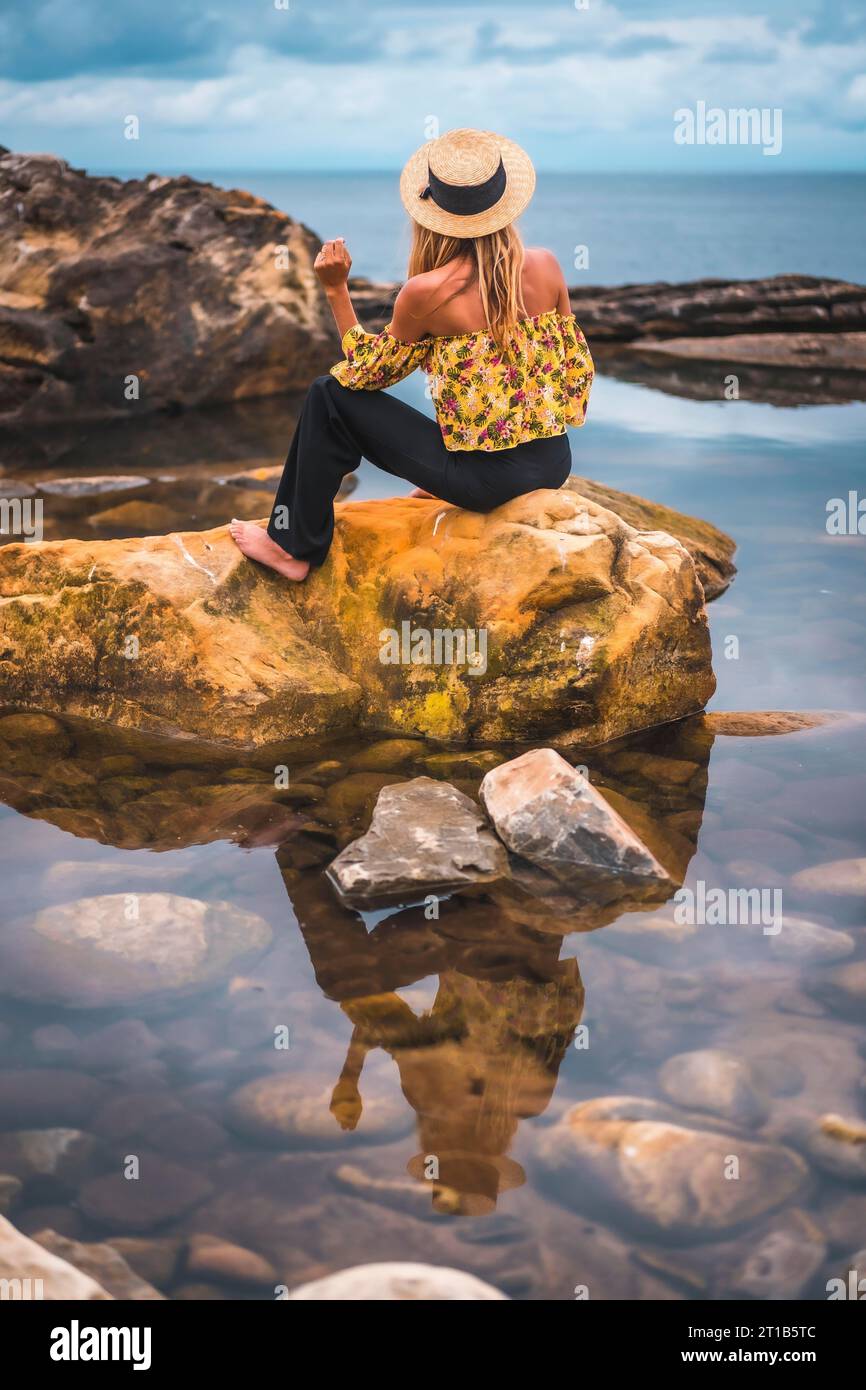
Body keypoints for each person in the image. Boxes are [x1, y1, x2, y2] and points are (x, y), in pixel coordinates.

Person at [229, 127, 594, 581]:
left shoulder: (426, 293)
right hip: (554, 461)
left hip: (485, 482)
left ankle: (293, 548)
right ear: (504, 204)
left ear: (432, 213)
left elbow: (364, 374)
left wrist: (336, 289)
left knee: (328, 396)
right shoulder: (547, 264)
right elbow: (569, 371)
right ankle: (452, 470)